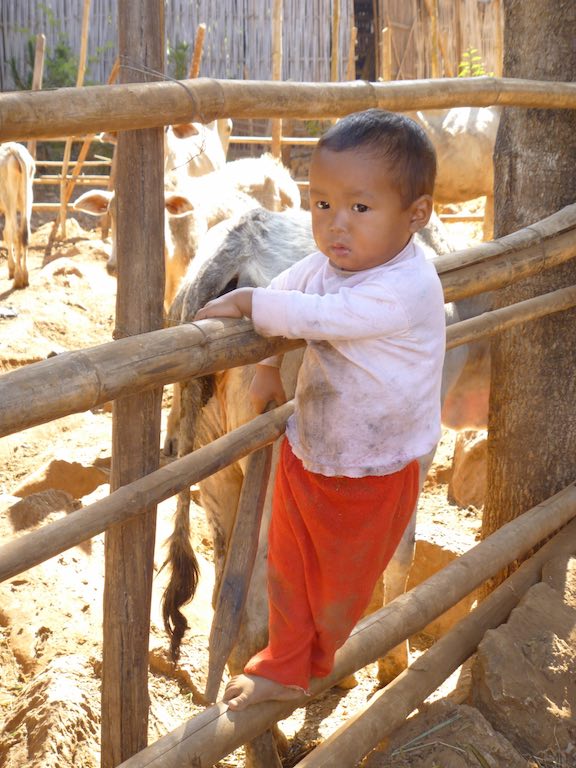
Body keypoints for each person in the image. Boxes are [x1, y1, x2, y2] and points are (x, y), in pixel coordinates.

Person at [194, 109, 446, 711]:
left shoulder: (406, 287)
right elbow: (291, 288)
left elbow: (316, 317)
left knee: (339, 588)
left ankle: (315, 658)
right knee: (285, 561)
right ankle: (283, 662)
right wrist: (260, 365)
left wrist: (252, 302)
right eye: (322, 204)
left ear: (417, 215)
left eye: (360, 208)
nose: (336, 225)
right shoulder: (335, 261)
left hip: (376, 470)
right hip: (312, 449)